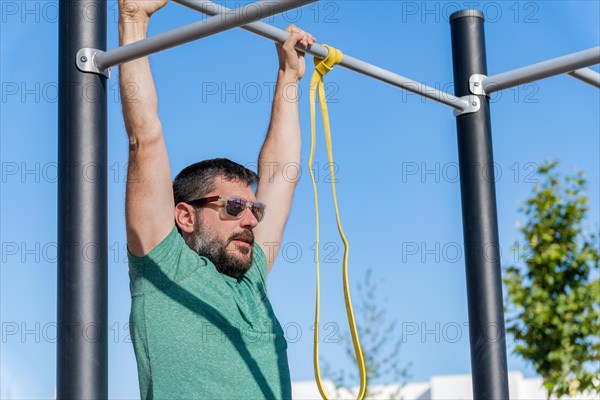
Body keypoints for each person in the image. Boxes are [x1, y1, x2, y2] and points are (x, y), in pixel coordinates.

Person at [118, 0, 316, 398]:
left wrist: (289, 76)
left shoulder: (252, 277)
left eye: (254, 209)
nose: (252, 220)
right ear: (185, 217)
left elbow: (281, 175)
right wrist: (134, 21)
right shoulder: (164, 265)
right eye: (233, 207)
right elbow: (146, 139)